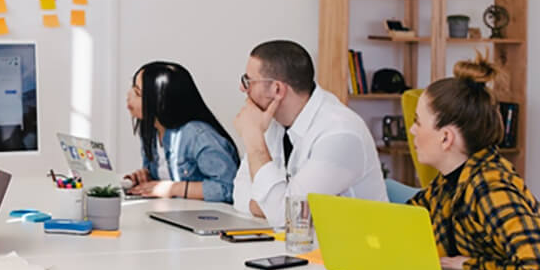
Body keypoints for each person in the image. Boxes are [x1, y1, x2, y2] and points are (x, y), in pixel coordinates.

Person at [407, 56, 540, 270]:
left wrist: (469, 266)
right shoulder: (448, 185)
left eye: (418, 122)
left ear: (446, 138)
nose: (411, 130)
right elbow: (405, 220)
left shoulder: (490, 188)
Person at [232, 40, 386, 226]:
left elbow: (287, 216)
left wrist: (254, 139)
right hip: (302, 246)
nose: (242, 88)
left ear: (277, 89)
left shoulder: (340, 133)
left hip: (354, 251)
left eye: (248, 81)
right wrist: (273, 207)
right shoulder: (272, 120)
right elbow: (239, 192)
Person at [124, 61, 240, 203]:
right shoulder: (152, 132)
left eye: (137, 93)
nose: (128, 95)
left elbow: (228, 188)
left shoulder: (197, 135)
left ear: (161, 101)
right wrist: (147, 178)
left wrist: (172, 188)